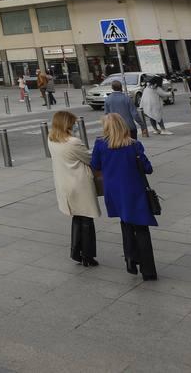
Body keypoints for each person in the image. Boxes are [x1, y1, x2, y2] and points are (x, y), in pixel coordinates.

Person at [90, 113, 157, 280]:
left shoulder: (100, 144)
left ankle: (131, 261)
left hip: (114, 191)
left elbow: (95, 165)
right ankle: (148, 270)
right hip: (135, 190)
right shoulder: (134, 145)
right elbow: (148, 168)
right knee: (141, 227)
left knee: (126, 224)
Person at [48, 110, 100, 266]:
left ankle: (76, 252)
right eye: (73, 123)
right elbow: (90, 159)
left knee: (77, 216)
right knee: (87, 218)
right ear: (67, 124)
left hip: (64, 183)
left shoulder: (52, 139)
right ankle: (87, 256)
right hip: (79, 184)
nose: (75, 125)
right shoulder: (73, 142)